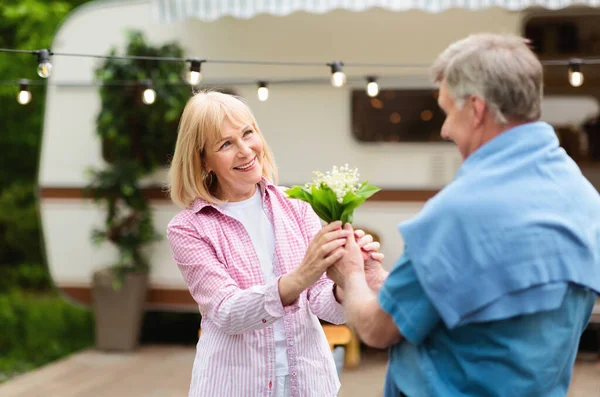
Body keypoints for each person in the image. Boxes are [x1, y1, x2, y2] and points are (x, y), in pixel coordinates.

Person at [327, 33, 600, 397]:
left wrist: (351, 276)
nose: (444, 129)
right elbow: (481, 298)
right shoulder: (584, 199)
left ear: (476, 109)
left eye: (446, 111)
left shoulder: (461, 211)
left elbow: (378, 329)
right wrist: (382, 280)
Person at [166, 91, 382, 397]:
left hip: (308, 383)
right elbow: (227, 313)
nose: (245, 150)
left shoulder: (296, 205)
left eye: (248, 133)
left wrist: (350, 276)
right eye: (226, 144)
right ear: (203, 160)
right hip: (235, 387)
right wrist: (298, 278)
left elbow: (327, 305)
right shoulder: (189, 228)